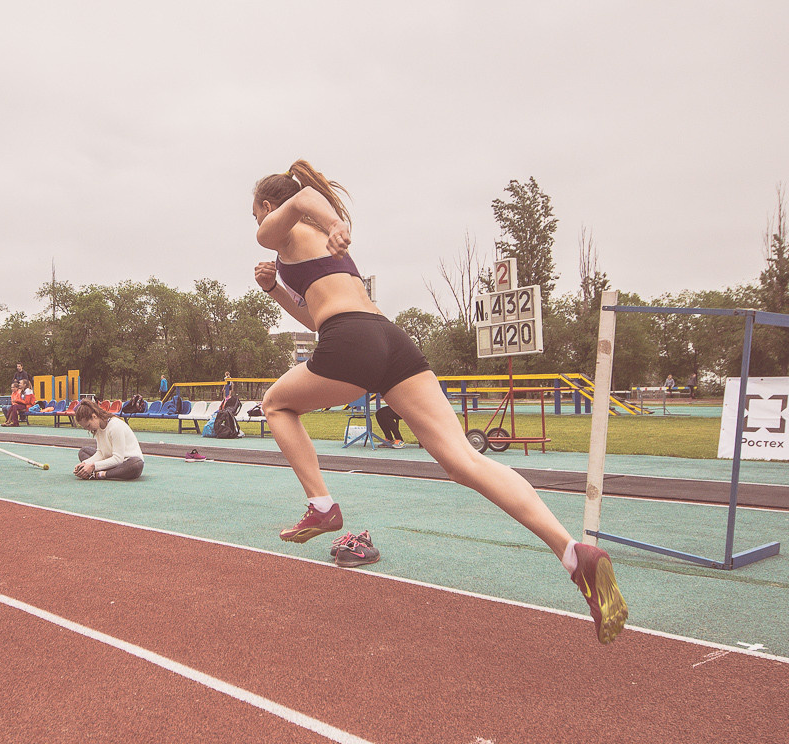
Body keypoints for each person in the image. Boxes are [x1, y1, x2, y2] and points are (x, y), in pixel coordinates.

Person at [250, 160, 626, 643]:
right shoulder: (309, 250)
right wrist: (275, 288)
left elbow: (301, 201)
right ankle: (573, 553)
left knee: (276, 405)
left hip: (351, 338)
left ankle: (321, 505)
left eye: (257, 215)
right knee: (464, 460)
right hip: (389, 339)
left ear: (264, 206)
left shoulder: (279, 228)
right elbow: (314, 317)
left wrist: (335, 222)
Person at [70, 399, 145, 481]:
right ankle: (103, 472)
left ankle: (102, 474)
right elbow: (101, 453)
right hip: (111, 461)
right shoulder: (97, 427)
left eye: (88, 425)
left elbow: (118, 459)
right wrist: (84, 464)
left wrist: (93, 466)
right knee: (84, 451)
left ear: (94, 416)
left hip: (125, 462)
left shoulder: (115, 426)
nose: (88, 429)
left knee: (136, 464)